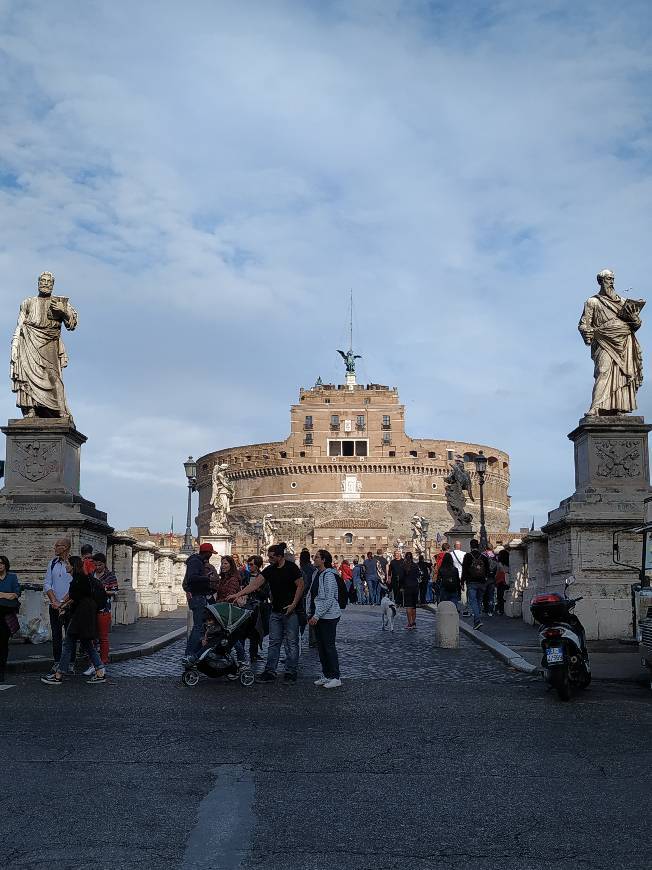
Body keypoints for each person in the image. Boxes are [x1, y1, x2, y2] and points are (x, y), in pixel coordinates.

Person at [231, 542, 304, 683]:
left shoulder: (292, 568)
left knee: (292, 643)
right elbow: (254, 584)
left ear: (279, 556)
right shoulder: (270, 570)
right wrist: (238, 594)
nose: (269, 559)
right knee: (274, 642)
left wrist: (293, 604)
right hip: (275, 611)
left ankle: (291, 672)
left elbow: (300, 586)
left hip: (291, 612)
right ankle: (270, 671)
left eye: (271, 557)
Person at [41, 556, 106, 685]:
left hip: (81, 616)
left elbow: (74, 598)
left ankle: (59, 674)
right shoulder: (81, 579)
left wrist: (61, 606)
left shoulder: (78, 580)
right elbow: (74, 598)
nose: (66, 566)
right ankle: (100, 671)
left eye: (68, 564)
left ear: (73, 566)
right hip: (85, 615)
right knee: (87, 644)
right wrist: (62, 606)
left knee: (68, 643)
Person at [309, 549, 342, 689]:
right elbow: (312, 594)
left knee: (329, 646)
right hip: (318, 614)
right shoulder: (316, 573)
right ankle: (327, 674)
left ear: (323, 560)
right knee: (321, 647)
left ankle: (335, 676)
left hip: (329, 616)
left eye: (316, 557)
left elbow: (329, 598)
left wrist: (317, 615)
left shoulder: (328, 575)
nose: (314, 559)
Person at [82, 553, 118, 675]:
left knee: (103, 637)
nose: (98, 567)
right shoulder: (90, 574)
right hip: (91, 610)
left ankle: (103, 662)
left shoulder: (110, 575)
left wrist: (100, 590)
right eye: (96, 564)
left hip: (104, 609)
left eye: (100, 564)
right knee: (92, 637)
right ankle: (93, 663)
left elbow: (114, 591)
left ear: (104, 563)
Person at [182, 542, 216, 665]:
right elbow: (192, 578)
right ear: (206, 553)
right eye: (210, 553)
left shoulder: (197, 561)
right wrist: (207, 578)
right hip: (197, 597)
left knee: (200, 627)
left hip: (198, 597)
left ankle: (193, 653)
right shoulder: (196, 562)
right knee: (198, 627)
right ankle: (189, 654)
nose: (211, 556)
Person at [43, 538, 73, 673]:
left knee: (70, 634)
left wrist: (63, 603)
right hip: (54, 605)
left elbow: (76, 586)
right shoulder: (52, 563)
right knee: (56, 635)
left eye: (58, 545)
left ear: (66, 547)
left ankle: (70, 662)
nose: (55, 547)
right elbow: (47, 583)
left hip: (70, 605)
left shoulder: (74, 563)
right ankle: (57, 661)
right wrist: (54, 600)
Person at [245, 555, 270, 663]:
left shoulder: (263, 578)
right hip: (246, 606)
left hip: (258, 608)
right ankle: (242, 654)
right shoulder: (245, 576)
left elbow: (266, 595)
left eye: (251, 564)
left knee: (256, 631)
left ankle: (253, 654)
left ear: (257, 565)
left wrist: (256, 588)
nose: (249, 566)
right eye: (248, 564)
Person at [0, 555, 21, 682]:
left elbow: (16, 594)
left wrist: (2, 594)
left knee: (3, 644)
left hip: (6, 616)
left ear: (6, 564)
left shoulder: (12, 577)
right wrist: (7, 595)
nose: (0, 565)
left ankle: (1, 670)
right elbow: (11, 594)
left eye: (2, 563)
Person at [461, 540, 490, 629]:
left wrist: (462, 582)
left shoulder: (468, 556)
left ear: (470, 546)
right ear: (478, 546)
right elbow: (488, 570)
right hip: (482, 582)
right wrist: (485, 579)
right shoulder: (484, 557)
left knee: (473, 602)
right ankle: (476, 622)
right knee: (479, 601)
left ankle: (477, 620)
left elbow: (464, 570)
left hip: (471, 582)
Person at [437, 549, 462, 614]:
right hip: (453, 589)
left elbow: (438, 580)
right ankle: (453, 620)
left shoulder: (441, 569)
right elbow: (457, 581)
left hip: (444, 588)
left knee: (444, 606)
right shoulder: (455, 569)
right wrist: (459, 592)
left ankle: (445, 620)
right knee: (453, 607)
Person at [400, 551, 420, 629]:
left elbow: (401, 578)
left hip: (407, 586)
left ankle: (410, 623)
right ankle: (414, 623)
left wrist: (401, 587)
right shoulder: (415, 566)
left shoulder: (403, 566)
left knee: (408, 606)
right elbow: (418, 575)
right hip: (415, 586)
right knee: (414, 606)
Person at [451, 541, 468, 615]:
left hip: (454, 576)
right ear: (460, 546)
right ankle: (464, 609)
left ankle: (455, 608)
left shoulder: (450, 554)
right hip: (462, 576)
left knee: (454, 592)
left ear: (454, 546)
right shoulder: (464, 554)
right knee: (463, 593)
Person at [482, 545, 499, 618]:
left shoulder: (483, 555)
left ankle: (485, 608)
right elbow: (498, 567)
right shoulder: (495, 556)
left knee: (484, 594)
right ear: (492, 548)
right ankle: (491, 610)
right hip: (492, 577)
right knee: (491, 595)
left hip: (484, 577)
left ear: (486, 548)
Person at [495, 549, 510, 616]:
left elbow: (497, 573)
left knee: (500, 596)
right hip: (508, 581)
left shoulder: (499, 564)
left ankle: (501, 610)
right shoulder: (509, 563)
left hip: (501, 582)